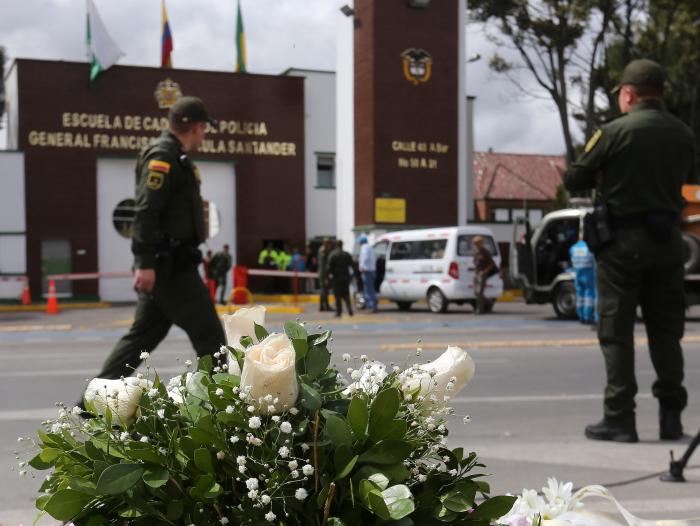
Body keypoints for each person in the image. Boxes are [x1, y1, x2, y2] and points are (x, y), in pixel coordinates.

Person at [565, 59, 698, 443]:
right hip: (669, 243)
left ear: (628, 94)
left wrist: (603, 174)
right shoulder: (683, 133)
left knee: (616, 332)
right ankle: (671, 418)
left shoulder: (614, 131)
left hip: (622, 245)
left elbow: (575, 175)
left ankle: (620, 419)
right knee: (666, 332)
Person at [80, 96, 226, 405]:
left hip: (170, 264)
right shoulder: (163, 157)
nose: (204, 136)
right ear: (197, 128)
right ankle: (224, 409)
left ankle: (90, 404)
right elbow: (145, 211)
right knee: (212, 339)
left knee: (141, 339)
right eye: (204, 130)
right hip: (170, 268)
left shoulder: (176, 158)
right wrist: (144, 262)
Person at [569, 237, 597, 324]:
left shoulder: (573, 248)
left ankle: (580, 315)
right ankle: (587, 316)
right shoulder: (589, 247)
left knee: (579, 295)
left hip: (578, 273)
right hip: (589, 274)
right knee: (589, 296)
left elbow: (571, 257)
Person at [327, 240, 354, 317]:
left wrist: (328, 276)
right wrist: (352, 276)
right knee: (346, 294)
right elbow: (353, 265)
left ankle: (339, 312)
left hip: (337, 278)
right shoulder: (347, 254)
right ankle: (350, 310)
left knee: (337, 295)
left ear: (336, 245)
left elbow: (329, 267)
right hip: (345, 277)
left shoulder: (333, 255)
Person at [472, 235, 496, 314]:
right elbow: (475, 262)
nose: (475, 244)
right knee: (476, 292)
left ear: (481, 243)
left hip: (483, 274)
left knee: (479, 293)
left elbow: (491, 264)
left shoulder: (486, 252)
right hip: (476, 273)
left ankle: (479, 309)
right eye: (474, 243)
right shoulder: (476, 252)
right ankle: (489, 303)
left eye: (477, 243)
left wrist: (484, 272)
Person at [358, 235, 378, 312]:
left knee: (368, 290)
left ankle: (371, 306)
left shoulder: (364, 248)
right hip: (372, 270)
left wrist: (362, 266)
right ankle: (373, 305)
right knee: (371, 289)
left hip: (367, 271)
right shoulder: (370, 247)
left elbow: (365, 257)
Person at [317, 238, 333, 311]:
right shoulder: (323, 250)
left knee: (324, 290)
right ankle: (325, 306)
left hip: (323, 273)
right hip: (323, 274)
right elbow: (324, 264)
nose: (330, 245)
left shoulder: (324, 250)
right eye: (328, 243)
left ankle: (323, 306)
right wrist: (326, 276)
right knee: (324, 290)